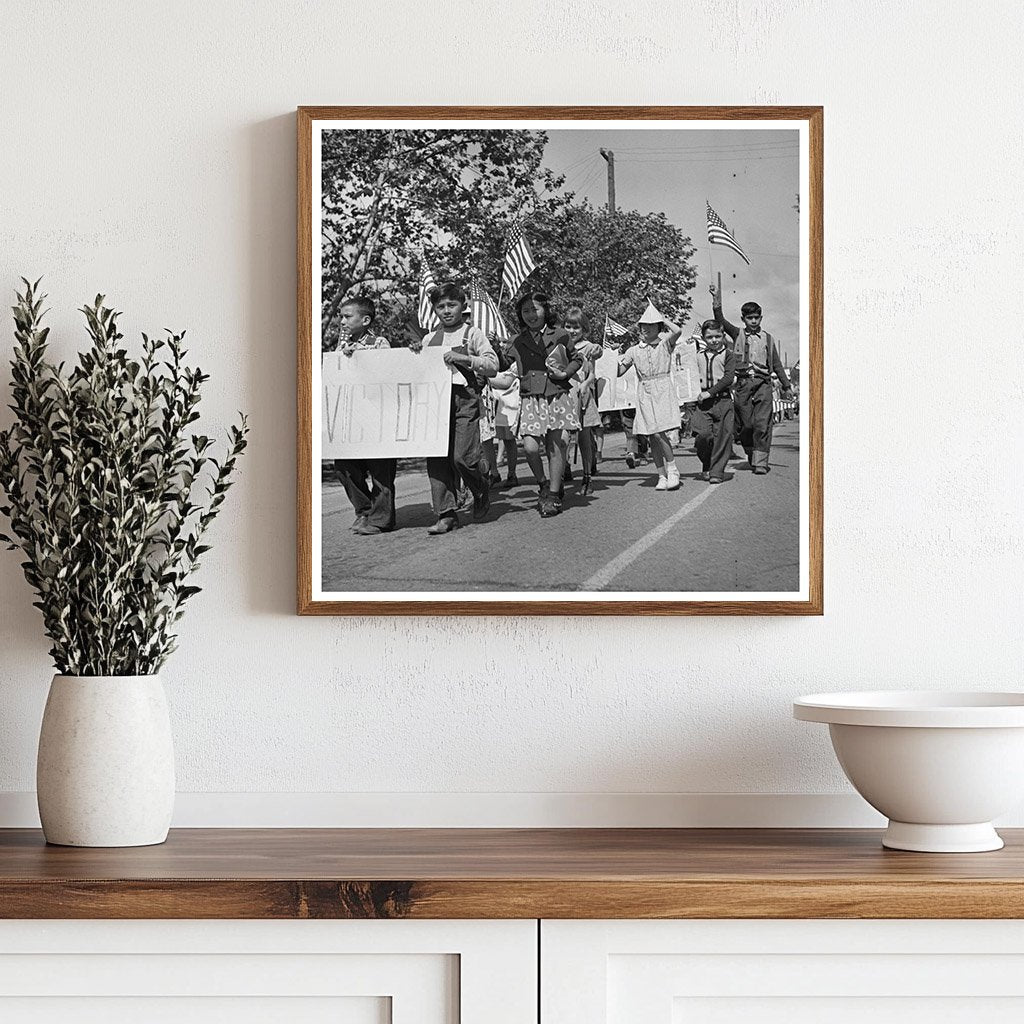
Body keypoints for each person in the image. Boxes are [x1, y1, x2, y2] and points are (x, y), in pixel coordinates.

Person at [409, 282, 499, 534]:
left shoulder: (473, 334)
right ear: (435, 310)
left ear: (463, 306)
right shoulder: (429, 338)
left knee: (462, 457)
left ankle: (480, 486)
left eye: (452, 305)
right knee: (437, 460)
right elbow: (418, 372)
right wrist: (415, 353)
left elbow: (493, 365)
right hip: (435, 403)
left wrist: (465, 359)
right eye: (440, 306)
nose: (446, 310)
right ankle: (446, 514)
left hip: (465, 399)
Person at [329, 297, 397, 536]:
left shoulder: (379, 343)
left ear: (365, 320)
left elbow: (385, 373)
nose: (342, 321)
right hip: (351, 417)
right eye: (341, 316)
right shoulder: (340, 344)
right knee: (344, 467)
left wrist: (358, 357)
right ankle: (364, 509)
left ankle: (381, 519)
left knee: (380, 470)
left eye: (347, 316)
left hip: (376, 416)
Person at [509, 291, 580, 517]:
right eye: (526, 310)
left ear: (545, 310)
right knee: (530, 447)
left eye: (535, 309)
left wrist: (565, 373)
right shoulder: (516, 341)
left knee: (557, 444)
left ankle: (553, 494)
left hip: (556, 393)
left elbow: (577, 358)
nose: (531, 314)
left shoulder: (559, 334)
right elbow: (504, 364)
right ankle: (542, 484)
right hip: (531, 396)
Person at [711, 283, 794, 475]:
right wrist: (716, 300)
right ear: (743, 319)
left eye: (757, 317)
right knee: (746, 424)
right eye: (750, 318)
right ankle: (751, 452)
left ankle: (760, 462)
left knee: (762, 423)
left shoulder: (768, 338)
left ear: (761, 318)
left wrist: (787, 386)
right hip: (743, 384)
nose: (754, 321)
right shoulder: (737, 333)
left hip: (763, 383)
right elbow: (720, 320)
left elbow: (777, 364)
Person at [618, 301, 684, 490]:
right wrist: (608, 356)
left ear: (659, 327)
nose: (645, 329)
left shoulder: (665, 344)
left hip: (662, 389)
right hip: (645, 392)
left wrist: (662, 318)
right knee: (651, 435)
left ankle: (673, 470)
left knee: (659, 432)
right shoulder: (634, 350)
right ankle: (661, 474)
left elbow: (677, 331)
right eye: (643, 325)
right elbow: (619, 371)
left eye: (650, 325)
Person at [689, 319, 737, 484]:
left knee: (722, 438)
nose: (714, 340)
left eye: (718, 336)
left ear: (723, 336)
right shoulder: (697, 356)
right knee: (703, 436)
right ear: (703, 338)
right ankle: (707, 463)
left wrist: (710, 393)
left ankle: (716, 472)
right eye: (709, 337)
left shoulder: (728, 355)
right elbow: (689, 376)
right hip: (702, 403)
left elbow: (728, 378)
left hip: (723, 401)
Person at [562, 307, 600, 496]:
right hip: (564, 394)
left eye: (576, 327)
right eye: (568, 326)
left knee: (584, 438)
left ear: (583, 329)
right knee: (562, 437)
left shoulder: (588, 347)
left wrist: (585, 384)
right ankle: (561, 471)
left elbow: (592, 373)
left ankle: (587, 475)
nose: (572, 331)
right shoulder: (560, 346)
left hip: (582, 395)